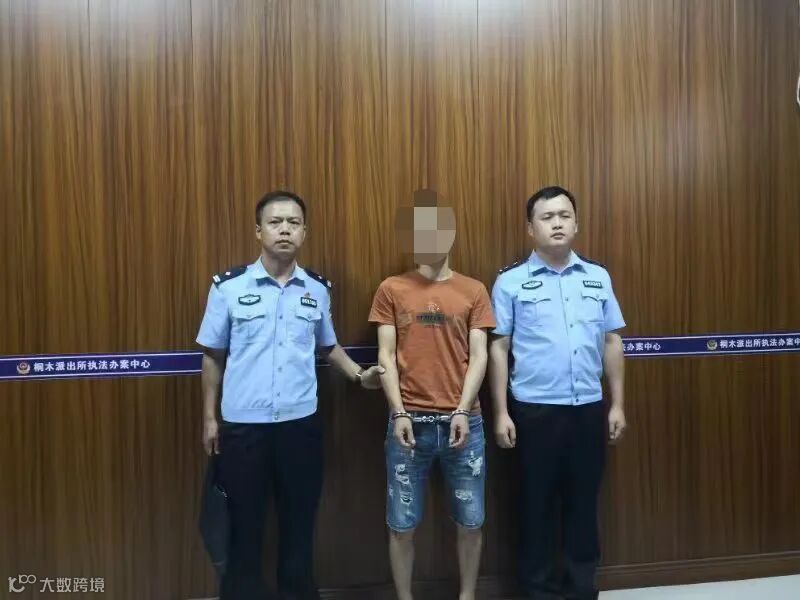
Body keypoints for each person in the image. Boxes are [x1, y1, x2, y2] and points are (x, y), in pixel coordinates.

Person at [196, 190, 384, 600]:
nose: (284, 230)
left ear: (304, 232)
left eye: (293, 223)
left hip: (300, 427)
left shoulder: (316, 289)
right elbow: (212, 356)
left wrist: (359, 375)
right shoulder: (228, 288)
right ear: (258, 231)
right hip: (243, 429)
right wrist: (210, 418)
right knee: (244, 527)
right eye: (275, 222)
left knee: (299, 526)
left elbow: (328, 346)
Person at [489, 186, 627, 600]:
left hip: (587, 408)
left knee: (583, 504)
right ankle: (539, 591)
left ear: (576, 224)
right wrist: (501, 412)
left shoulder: (598, 277)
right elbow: (499, 347)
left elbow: (612, 340)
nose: (557, 223)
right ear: (530, 228)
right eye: (547, 217)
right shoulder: (511, 281)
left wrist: (617, 404)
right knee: (537, 506)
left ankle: (581, 590)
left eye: (564, 215)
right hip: (534, 412)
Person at [369, 189, 496, 600]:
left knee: (471, 522)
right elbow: (385, 355)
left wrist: (462, 408)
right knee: (401, 524)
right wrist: (399, 412)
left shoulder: (474, 290)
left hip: (466, 425)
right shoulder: (391, 289)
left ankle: (467, 596)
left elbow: (479, 356)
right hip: (408, 425)